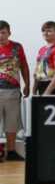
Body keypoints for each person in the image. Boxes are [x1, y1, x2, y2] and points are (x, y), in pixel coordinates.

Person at [0, 21, 30, 162]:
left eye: (3, 32)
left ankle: (11, 151)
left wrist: (27, 84)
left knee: (11, 123)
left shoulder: (17, 47)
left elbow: (24, 66)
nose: (0, 35)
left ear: (9, 33)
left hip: (12, 91)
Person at [33, 21, 55, 95]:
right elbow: (37, 70)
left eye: (49, 31)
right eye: (43, 31)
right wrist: (34, 88)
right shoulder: (42, 49)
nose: (45, 33)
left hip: (53, 86)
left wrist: (48, 91)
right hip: (41, 85)